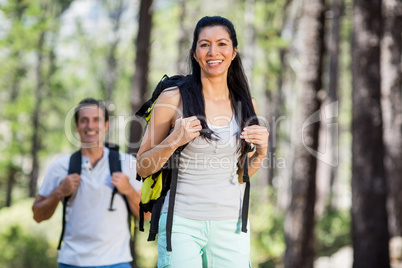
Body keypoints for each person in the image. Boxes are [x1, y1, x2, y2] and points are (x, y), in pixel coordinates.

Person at [136, 16, 269, 267]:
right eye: (205, 44)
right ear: (195, 53)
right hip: (181, 223)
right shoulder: (173, 98)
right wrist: (174, 140)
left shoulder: (247, 104)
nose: (213, 52)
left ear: (234, 51)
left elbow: (240, 177)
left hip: (231, 225)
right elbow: (142, 166)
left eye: (222, 44)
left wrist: (260, 153)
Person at [32, 98, 148, 268]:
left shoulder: (127, 163)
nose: (90, 126)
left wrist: (129, 190)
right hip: (72, 262)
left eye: (96, 120)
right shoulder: (60, 166)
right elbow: (37, 215)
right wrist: (59, 192)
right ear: (77, 127)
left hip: (116, 262)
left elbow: (147, 215)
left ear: (106, 125)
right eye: (84, 120)